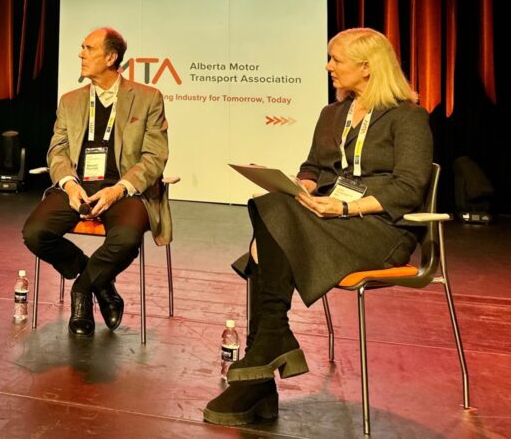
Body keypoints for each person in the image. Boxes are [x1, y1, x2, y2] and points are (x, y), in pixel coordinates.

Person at [203, 27, 432, 426]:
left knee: (271, 237)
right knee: (276, 205)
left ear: (366, 67)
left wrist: (346, 208)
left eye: (336, 59)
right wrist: (302, 188)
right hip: (327, 219)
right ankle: (266, 354)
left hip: (379, 228)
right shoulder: (333, 113)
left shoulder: (407, 117)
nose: (328, 66)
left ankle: (260, 370)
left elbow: (410, 189)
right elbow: (312, 167)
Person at [22, 28, 170, 336]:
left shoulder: (147, 98)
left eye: (88, 48)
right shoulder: (71, 101)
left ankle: (83, 290)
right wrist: (69, 183)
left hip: (126, 189)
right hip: (79, 185)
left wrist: (119, 189)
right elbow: (58, 149)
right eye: (82, 48)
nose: (81, 54)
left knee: (127, 237)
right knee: (35, 233)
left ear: (111, 57)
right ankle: (102, 283)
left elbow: (155, 156)